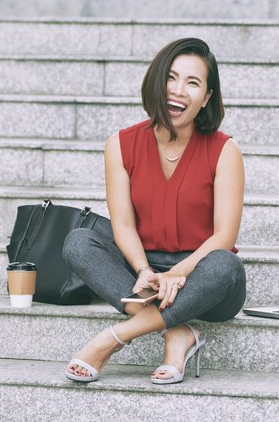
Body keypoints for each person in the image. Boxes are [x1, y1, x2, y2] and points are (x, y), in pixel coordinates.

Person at [63, 37, 246, 384]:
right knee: (78, 242)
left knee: (226, 263)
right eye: (171, 78)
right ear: (156, 82)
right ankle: (176, 332)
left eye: (193, 83)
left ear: (206, 97)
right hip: (143, 276)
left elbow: (225, 236)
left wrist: (176, 274)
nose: (178, 91)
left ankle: (111, 339)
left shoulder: (225, 150)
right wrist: (144, 270)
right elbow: (124, 225)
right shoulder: (120, 145)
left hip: (202, 276)